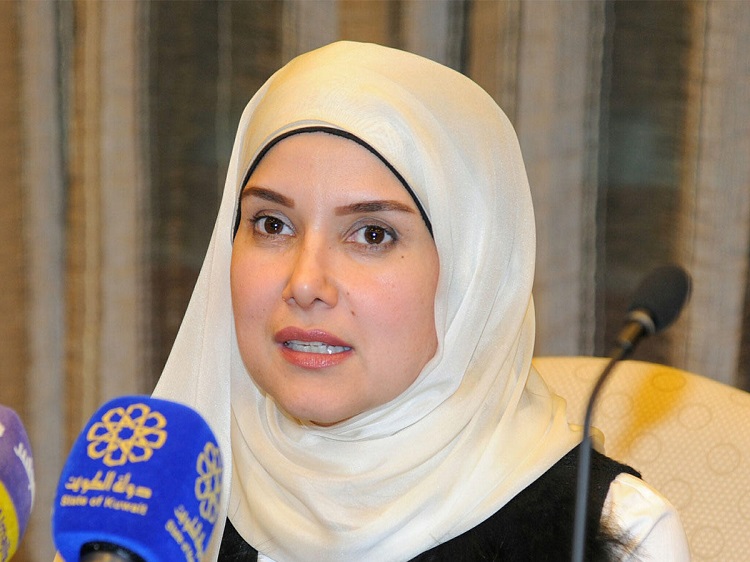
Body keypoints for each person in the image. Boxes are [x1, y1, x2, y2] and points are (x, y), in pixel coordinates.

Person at [154, 41, 690, 561]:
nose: (305, 282)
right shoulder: (155, 502)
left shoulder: (611, 534)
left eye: (372, 234)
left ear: (470, 275)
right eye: (272, 224)